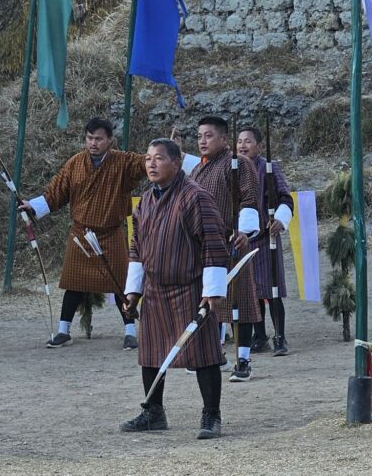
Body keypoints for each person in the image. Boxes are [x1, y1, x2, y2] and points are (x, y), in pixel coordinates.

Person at [120, 138, 229, 439]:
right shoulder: (145, 201)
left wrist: (212, 292)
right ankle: (153, 412)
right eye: (147, 158)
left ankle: (211, 415)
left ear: (177, 162)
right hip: (155, 290)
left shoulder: (195, 197)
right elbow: (136, 248)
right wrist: (133, 291)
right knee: (151, 353)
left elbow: (213, 245)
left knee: (204, 354)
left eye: (158, 158)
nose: (151, 164)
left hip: (192, 288)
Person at [21, 117, 146, 350]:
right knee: (74, 283)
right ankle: (63, 330)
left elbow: (146, 164)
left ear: (110, 140)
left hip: (110, 233)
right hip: (81, 234)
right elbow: (56, 193)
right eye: (89, 138)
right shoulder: (75, 163)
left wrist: (168, 151)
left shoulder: (124, 162)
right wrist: (33, 206)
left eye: (98, 139)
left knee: (121, 283)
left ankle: (130, 331)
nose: (93, 143)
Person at [185, 116, 261, 382]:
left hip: (232, 239)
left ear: (223, 139)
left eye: (208, 136)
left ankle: (243, 360)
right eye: (199, 136)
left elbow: (250, 198)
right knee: (211, 299)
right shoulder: (197, 171)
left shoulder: (239, 164)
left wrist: (245, 230)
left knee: (240, 302)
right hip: (205, 246)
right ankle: (213, 355)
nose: (203, 141)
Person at [236, 125, 293, 356]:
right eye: (239, 141)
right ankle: (260, 337)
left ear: (258, 145)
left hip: (267, 236)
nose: (242, 145)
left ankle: (280, 337)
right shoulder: (233, 169)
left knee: (273, 290)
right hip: (244, 240)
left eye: (247, 141)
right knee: (252, 291)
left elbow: (285, 198)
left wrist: (280, 219)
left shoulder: (269, 168)